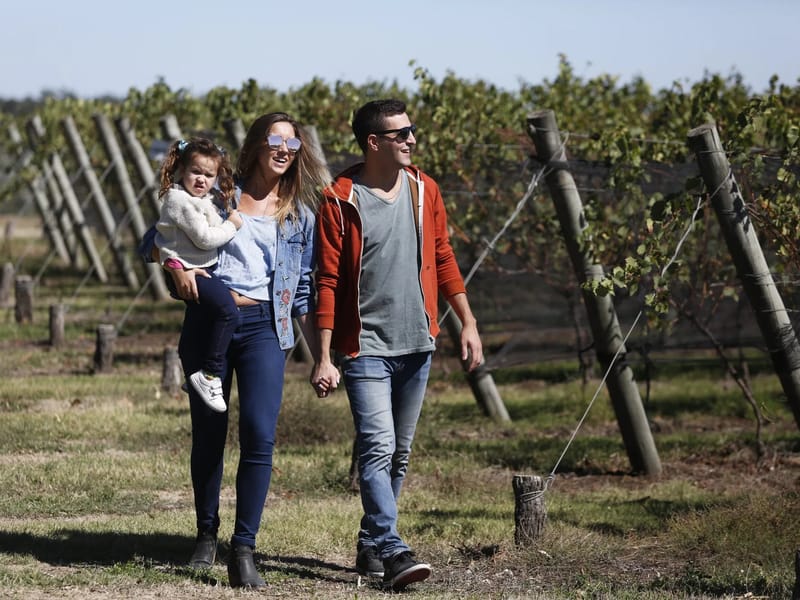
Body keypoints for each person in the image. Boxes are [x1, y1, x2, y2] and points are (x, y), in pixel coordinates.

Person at [311, 99, 483, 591]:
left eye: (412, 131)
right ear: (373, 143)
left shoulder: (424, 189)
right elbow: (325, 280)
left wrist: (466, 322)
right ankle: (390, 547)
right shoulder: (339, 199)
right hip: (363, 347)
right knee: (379, 446)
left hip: (416, 342)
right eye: (401, 133)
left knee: (400, 453)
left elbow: (444, 256)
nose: (411, 140)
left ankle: (369, 543)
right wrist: (324, 355)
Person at [167, 113, 339, 589]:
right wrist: (174, 266)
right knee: (208, 431)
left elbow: (303, 289)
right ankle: (206, 533)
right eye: (275, 139)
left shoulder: (300, 214)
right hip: (211, 321)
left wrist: (321, 356)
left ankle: (244, 547)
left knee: (260, 434)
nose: (284, 148)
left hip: (266, 325)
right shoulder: (218, 191)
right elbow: (157, 234)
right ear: (257, 144)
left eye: (293, 142)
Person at [155, 138, 242, 413]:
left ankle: (191, 375)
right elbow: (205, 237)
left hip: (195, 267)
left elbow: (211, 221)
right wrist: (233, 225)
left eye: (209, 175)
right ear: (181, 169)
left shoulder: (200, 200)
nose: (202, 180)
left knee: (197, 319)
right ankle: (210, 374)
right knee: (228, 312)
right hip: (186, 267)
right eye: (196, 172)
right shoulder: (180, 200)